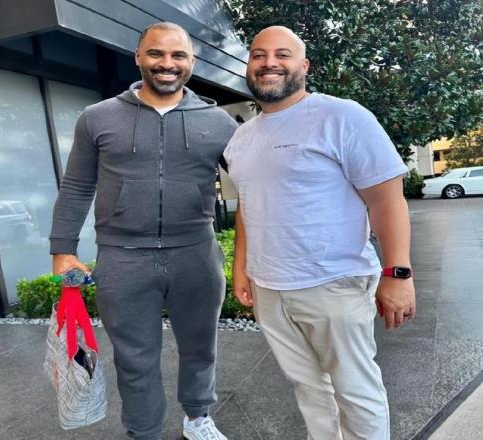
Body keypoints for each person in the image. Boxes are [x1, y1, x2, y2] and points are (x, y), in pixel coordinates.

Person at [224, 26, 416, 440]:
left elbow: (387, 200)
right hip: (270, 288)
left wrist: (398, 273)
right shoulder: (241, 138)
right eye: (258, 55)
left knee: (356, 392)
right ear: (249, 65)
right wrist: (242, 268)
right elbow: (248, 206)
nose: (269, 63)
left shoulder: (342, 117)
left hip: (333, 283)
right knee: (309, 390)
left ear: (304, 65)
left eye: (282, 54)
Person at [49, 22, 237, 440]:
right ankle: (144, 432)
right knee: (135, 359)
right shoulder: (97, 118)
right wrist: (63, 249)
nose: (167, 63)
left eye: (178, 55)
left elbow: (258, 185)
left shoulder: (219, 122)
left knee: (201, 348)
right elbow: (77, 185)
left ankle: (198, 418)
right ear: (138, 57)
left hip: (196, 252)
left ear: (191, 62)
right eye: (156, 53)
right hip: (123, 257)